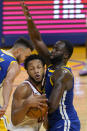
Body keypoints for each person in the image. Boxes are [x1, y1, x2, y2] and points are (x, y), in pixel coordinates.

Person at [21, 3, 80, 131]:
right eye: (53, 48)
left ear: (65, 55)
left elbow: (52, 105)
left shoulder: (63, 74)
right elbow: (37, 40)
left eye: (56, 50)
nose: (52, 51)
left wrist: (30, 104)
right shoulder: (51, 62)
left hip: (66, 123)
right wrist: (29, 18)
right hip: (55, 123)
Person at [0, 37, 34, 130]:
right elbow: (8, 82)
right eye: (26, 57)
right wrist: (5, 104)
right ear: (19, 51)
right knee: (2, 121)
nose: (25, 61)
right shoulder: (14, 64)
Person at [8, 54, 48, 131]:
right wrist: (26, 104)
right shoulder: (23, 89)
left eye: (39, 67)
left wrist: (46, 113)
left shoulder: (45, 89)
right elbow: (15, 121)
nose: (36, 71)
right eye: (32, 69)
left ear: (44, 68)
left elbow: (46, 126)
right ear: (27, 71)